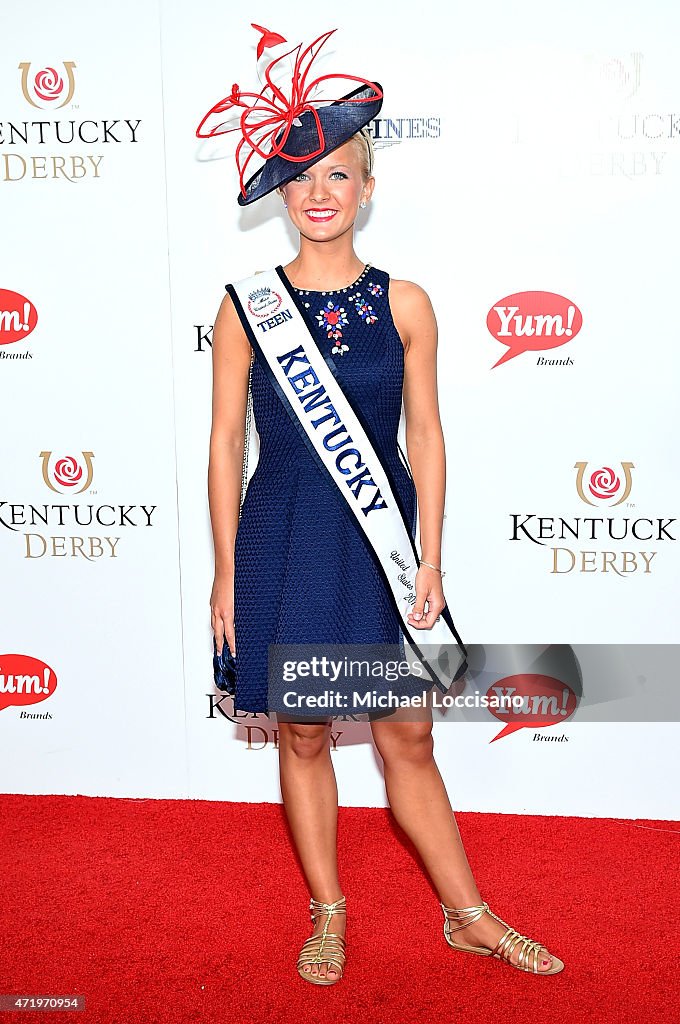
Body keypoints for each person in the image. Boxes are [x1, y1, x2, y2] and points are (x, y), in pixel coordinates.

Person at [200, 25, 565, 985]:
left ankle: (469, 916)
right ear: (280, 194)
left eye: (340, 174)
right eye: (302, 177)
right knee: (306, 730)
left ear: (367, 187)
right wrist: (226, 573)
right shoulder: (245, 308)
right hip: (284, 539)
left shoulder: (408, 302)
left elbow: (428, 437)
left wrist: (433, 559)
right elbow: (224, 448)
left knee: (407, 733)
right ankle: (327, 913)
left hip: (380, 544)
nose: (320, 192)